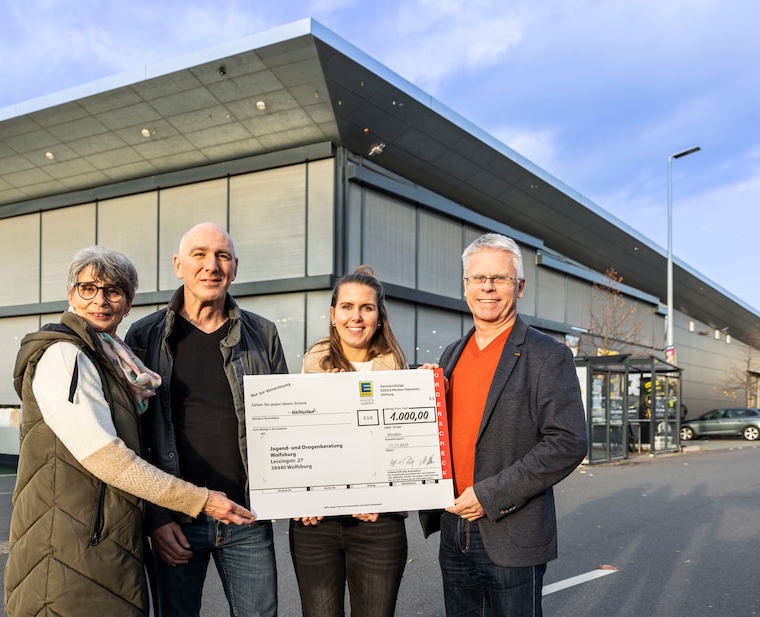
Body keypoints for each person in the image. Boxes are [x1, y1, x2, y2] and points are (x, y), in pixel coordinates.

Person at [4, 246, 254, 617]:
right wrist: (198, 500)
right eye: (88, 288)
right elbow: (108, 458)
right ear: (71, 294)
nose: (100, 301)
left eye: (113, 291)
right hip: (70, 547)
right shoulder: (65, 356)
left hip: (101, 540)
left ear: (128, 302)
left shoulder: (112, 359)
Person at [419, 232, 587, 617]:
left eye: (500, 278)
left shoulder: (548, 355)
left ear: (520, 286)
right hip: (452, 523)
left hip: (510, 526)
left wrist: (490, 496)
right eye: (478, 278)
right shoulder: (452, 354)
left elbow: (567, 441)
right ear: (465, 287)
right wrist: (426, 397)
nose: (488, 287)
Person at [125, 222, 288, 617]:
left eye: (222, 256)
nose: (211, 265)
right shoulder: (143, 337)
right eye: (199, 254)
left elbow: (284, 422)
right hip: (176, 521)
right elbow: (133, 437)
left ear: (235, 268)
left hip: (246, 517)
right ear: (179, 265)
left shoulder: (262, 334)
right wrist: (156, 520)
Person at [290, 265, 410, 617]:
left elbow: (404, 454)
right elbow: (294, 448)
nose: (355, 317)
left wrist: (430, 387)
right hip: (316, 526)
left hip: (378, 524)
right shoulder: (309, 371)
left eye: (366, 308)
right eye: (347, 307)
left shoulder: (401, 376)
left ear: (378, 315)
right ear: (333, 314)